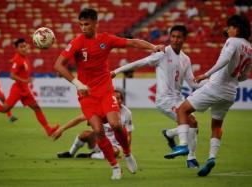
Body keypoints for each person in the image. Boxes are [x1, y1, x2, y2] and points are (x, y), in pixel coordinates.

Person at [54, 8, 162, 180]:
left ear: (96, 23)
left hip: (105, 90)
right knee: (98, 130)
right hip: (86, 94)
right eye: (81, 24)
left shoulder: (106, 39)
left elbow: (132, 42)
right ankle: (114, 166)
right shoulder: (76, 42)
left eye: (87, 24)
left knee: (116, 125)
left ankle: (127, 153)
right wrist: (78, 84)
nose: (83, 28)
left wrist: (153, 47)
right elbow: (58, 65)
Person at [164, 15, 252, 177]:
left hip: (216, 87)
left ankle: (183, 145)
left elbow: (224, 60)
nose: (228, 30)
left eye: (230, 27)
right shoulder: (249, 48)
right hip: (231, 92)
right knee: (217, 126)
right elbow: (244, 76)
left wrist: (206, 75)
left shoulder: (232, 42)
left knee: (182, 110)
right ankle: (211, 157)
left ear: (237, 28)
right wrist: (233, 77)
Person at [111, 25, 206, 168]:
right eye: (173, 37)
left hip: (178, 98)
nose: (175, 40)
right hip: (165, 100)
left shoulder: (186, 59)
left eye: (178, 37)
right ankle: (188, 154)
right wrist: (116, 71)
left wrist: (211, 83)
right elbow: (139, 63)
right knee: (190, 121)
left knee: (194, 123)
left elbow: (192, 83)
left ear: (184, 39)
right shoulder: (162, 53)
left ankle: (175, 140)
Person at [0, 38, 59, 137]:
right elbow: (12, 75)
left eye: (25, 46)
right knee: (4, 109)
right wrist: (25, 80)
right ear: (17, 49)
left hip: (25, 90)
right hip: (17, 89)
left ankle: (48, 129)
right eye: (21, 47)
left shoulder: (24, 57)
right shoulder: (18, 59)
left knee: (37, 108)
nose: (24, 48)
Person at [53, 89, 133, 159]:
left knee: (114, 152)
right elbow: (78, 119)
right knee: (84, 135)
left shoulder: (127, 113)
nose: (116, 100)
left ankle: (91, 156)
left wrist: (127, 153)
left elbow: (128, 135)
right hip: (100, 140)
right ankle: (70, 153)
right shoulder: (102, 108)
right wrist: (61, 129)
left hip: (114, 145)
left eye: (118, 98)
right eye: (114, 98)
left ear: (122, 100)